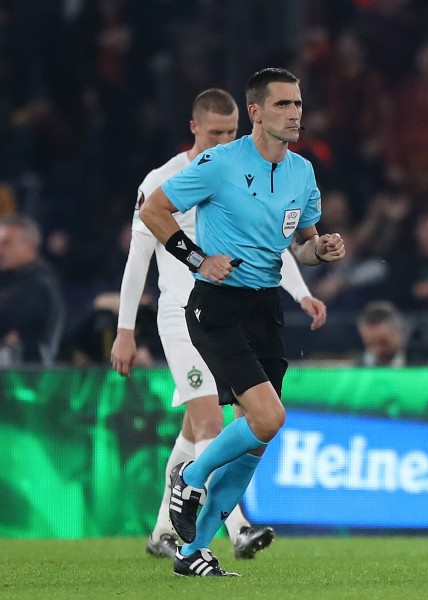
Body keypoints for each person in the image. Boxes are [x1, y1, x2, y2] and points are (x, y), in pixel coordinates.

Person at [139, 68, 345, 577]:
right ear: (255, 112)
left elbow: (303, 243)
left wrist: (322, 250)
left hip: (264, 308)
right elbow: (155, 211)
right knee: (269, 418)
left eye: (297, 104)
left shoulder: (302, 172)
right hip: (217, 305)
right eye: (281, 105)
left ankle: (192, 552)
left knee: (255, 440)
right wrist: (197, 260)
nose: (295, 113)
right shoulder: (220, 163)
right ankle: (191, 474)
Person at [0, 215, 65, 365]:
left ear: (29, 247)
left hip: (28, 378)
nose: (0, 250)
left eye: (6, 243)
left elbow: (7, 320)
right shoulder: (6, 281)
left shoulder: (39, 285)